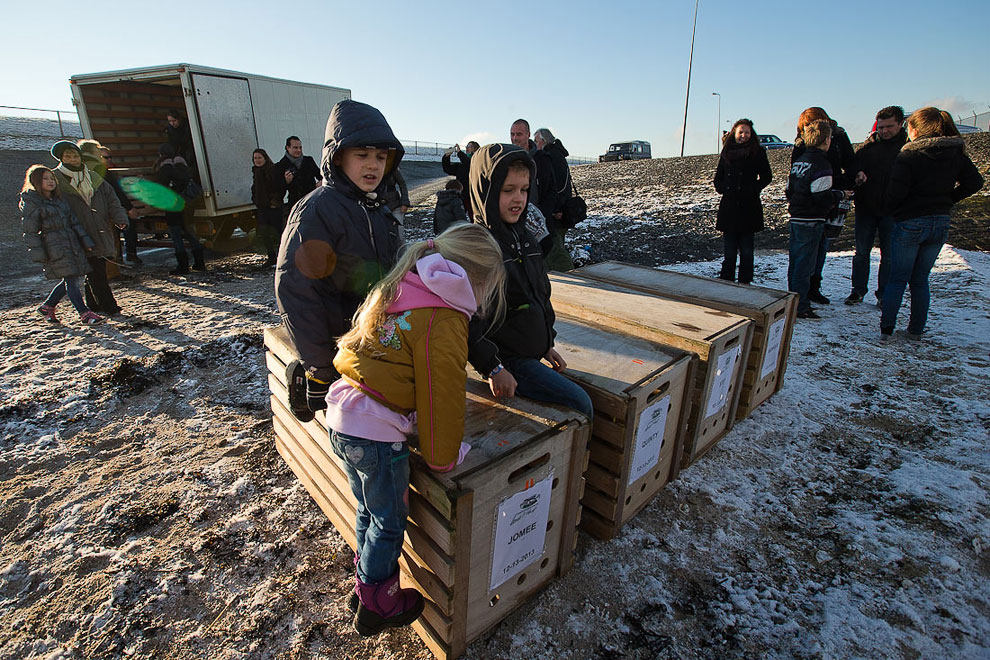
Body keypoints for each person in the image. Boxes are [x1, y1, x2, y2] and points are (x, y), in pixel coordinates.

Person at [326, 222, 506, 636]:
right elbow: (440, 391)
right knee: (390, 519)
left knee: (369, 510)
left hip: (345, 414)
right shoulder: (442, 315)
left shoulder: (403, 285)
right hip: (375, 431)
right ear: (474, 278)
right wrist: (444, 455)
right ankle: (378, 603)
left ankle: (365, 581)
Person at [275, 100, 404, 423]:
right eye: (362, 155)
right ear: (338, 157)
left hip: (372, 339)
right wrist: (320, 365)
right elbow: (297, 289)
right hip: (336, 343)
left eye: (380, 156)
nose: (372, 165)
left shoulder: (379, 210)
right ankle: (303, 376)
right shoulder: (319, 210)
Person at [467, 143, 594, 419]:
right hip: (507, 362)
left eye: (524, 190)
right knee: (581, 403)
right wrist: (493, 368)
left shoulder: (526, 238)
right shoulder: (479, 248)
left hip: (531, 353)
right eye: (507, 190)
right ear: (485, 191)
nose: (518, 199)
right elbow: (467, 322)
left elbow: (538, 296)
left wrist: (546, 343)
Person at [880, 107, 983, 340]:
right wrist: (947, 200)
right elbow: (975, 181)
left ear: (915, 130)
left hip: (910, 221)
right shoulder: (954, 153)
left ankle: (886, 330)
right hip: (940, 221)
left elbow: (895, 193)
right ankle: (915, 330)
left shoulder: (909, 155)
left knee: (897, 278)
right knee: (920, 279)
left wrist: (891, 210)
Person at [791, 108, 865, 304]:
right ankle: (801, 297)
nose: (809, 129)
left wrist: (853, 175)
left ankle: (810, 289)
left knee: (817, 248)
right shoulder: (808, 151)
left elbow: (849, 160)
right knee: (807, 254)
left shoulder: (838, 138)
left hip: (821, 200)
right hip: (818, 202)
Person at [20, 165, 104, 325]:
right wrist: (40, 254)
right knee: (71, 279)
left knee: (72, 277)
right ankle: (84, 313)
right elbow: (30, 231)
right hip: (54, 247)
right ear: (36, 180)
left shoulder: (59, 200)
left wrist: (86, 242)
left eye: (52, 178)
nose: (50, 181)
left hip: (71, 242)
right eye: (45, 178)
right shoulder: (32, 203)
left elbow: (74, 222)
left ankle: (48, 306)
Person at [50, 140, 127, 315]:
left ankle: (92, 304)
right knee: (94, 270)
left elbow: (112, 200)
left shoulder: (93, 177)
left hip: (98, 228)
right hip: (74, 232)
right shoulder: (55, 179)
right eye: (67, 156)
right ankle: (109, 307)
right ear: (61, 158)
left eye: (75, 155)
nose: (73, 159)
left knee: (92, 268)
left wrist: (120, 217)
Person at [785, 121, 852, 319]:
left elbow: (790, 189)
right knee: (805, 265)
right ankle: (801, 305)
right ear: (826, 140)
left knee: (796, 262)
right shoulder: (822, 164)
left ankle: (792, 300)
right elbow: (820, 195)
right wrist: (840, 195)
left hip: (797, 216)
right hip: (811, 218)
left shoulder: (800, 160)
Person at [845, 106, 907, 305]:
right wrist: (856, 177)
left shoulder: (907, 150)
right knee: (861, 253)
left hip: (893, 211)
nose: (885, 131)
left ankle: (884, 294)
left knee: (889, 256)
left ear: (900, 124)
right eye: (881, 127)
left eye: (889, 127)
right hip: (866, 209)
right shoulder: (866, 150)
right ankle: (858, 290)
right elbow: (852, 171)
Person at [713, 118, 773, 284]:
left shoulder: (757, 152)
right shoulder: (727, 152)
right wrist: (723, 188)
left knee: (747, 252)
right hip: (729, 207)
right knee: (729, 252)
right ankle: (726, 283)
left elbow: (767, 176)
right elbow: (718, 177)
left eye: (747, 132)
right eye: (741, 132)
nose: (743, 135)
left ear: (751, 134)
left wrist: (753, 188)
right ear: (735, 133)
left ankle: (745, 284)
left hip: (749, 207)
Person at [78, 140, 142, 265]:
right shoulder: (97, 170)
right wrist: (129, 208)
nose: (106, 159)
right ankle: (113, 268)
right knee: (110, 241)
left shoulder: (82, 170)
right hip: (102, 213)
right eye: (102, 156)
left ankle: (111, 267)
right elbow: (114, 191)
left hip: (92, 213)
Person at [154, 143, 206, 274]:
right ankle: (200, 263)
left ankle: (183, 266)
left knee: (176, 236)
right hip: (187, 205)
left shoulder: (164, 167)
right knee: (191, 234)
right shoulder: (182, 164)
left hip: (173, 206)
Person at [534, 128, 575, 271]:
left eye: (536, 141)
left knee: (555, 251)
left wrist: (556, 209)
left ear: (544, 141)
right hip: (556, 211)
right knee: (553, 249)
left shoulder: (552, 156)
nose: (534, 144)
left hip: (556, 213)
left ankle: (570, 278)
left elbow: (556, 186)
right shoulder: (556, 155)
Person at [251, 148, 285, 267]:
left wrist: (274, 202)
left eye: (259, 158)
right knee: (264, 234)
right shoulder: (256, 172)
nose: (257, 160)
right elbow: (255, 189)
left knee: (278, 233)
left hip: (273, 207)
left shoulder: (272, 170)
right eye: (255, 158)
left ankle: (282, 256)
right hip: (262, 207)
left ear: (265, 158)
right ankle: (271, 257)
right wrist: (255, 200)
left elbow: (280, 188)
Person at [274, 136, 321, 209]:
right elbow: (278, 190)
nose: (299, 150)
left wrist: (321, 182)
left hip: (312, 199)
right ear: (287, 148)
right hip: (295, 204)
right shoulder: (281, 165)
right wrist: (286, 181)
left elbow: (321, 176)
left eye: (300, 147)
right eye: (295, 148)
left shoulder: (309, 161)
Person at [441, 141, 478, 216]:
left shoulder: (477, 161)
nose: (467, 148)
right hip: (462, 195)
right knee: (457, 217)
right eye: (467, 146)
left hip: (473, 196)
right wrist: (447, 156)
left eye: (470, 146)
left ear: (475, 149)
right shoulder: (462, 164)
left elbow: (469, 165)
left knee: (474, 218)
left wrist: (459, 153)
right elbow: (448, 169)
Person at [381, 166, 410, 233]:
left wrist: (405, 203)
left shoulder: (393, 167)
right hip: (379, 206)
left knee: (399, 233)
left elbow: (402, 184)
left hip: (395, 205)